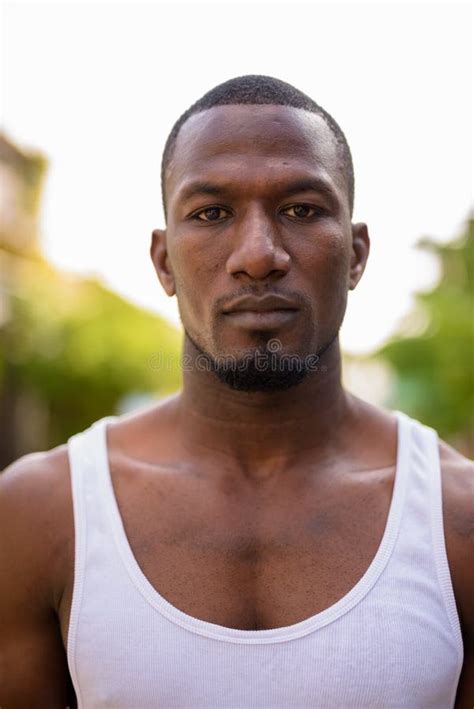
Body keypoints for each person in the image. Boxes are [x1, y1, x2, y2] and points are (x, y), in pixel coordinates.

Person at [0, 75, 472, 708]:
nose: (258, 255)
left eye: (302, 209)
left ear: (357, 254)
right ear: (164, 262)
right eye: (211, 213)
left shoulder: (456, 522)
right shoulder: (38, 517)